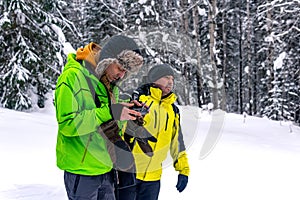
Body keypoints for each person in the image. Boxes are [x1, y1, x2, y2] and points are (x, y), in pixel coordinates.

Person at [54, 35, 145, 200]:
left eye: (126, 72)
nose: (122, 76)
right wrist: (112, 111)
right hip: (82, 171)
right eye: (120, 68)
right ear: (107, 59)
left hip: (106, 168)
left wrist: (127, 113)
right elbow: (68, 124)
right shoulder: (72, 77)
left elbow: (108, 124)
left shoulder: (109, 84)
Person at [126, 63, 190, 200]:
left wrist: (183, 170)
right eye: (166, 77)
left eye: (172, 79)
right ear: (154, 79)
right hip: (129, 174)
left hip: (153, 178)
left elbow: (177, 142)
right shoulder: (138, 100)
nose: (170, 82)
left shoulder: (173, 110)